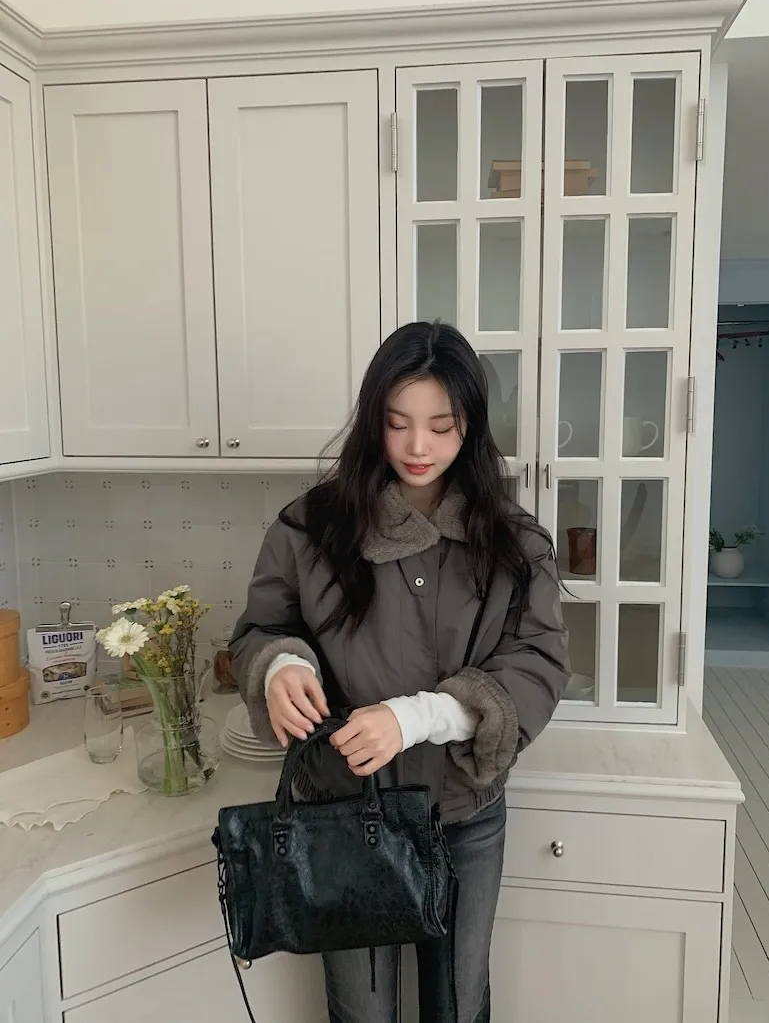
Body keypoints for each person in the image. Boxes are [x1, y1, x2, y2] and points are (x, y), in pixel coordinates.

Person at [230, 320, 570, 1023]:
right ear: (372, 422)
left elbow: (538, 659)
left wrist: (418, 716)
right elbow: (262, 628)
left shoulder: (514, 541)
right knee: (361, 1010)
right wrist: (279, 666)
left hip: (464, 811)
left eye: (442, 427)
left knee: (460, 1002)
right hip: (343, 809)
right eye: (397, 423)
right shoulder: (309, 528)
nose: (419, 447)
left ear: (471, 425)